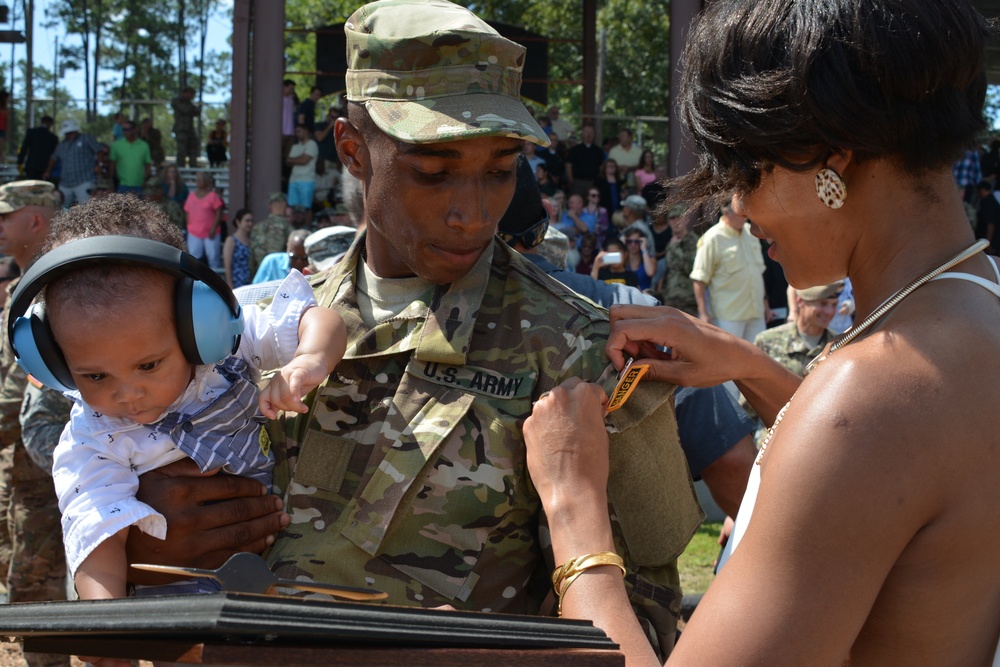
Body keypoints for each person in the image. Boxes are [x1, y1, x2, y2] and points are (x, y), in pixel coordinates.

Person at [125, 2, 703, 662]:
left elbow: (637, 633)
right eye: (432, 170)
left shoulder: (578, 351)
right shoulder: (240, 333)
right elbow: (120, 592)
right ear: (350, 149)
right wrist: (140, 549)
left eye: (501, 166)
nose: (473, 212)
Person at [530, 1, 1000, 664]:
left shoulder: (873, 398)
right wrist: (749, 364)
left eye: (747, 170)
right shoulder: (972, 307)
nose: (742, 209)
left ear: (829, 153)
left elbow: (869, 438)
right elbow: (904, 482)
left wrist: (573, 503)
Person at [7, 194, 345, 616]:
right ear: (54, 359)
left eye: (148, 365)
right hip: (180, 612)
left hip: (276, 583)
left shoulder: (226, 352)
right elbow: (97, 540)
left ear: (196, 326)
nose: (127, 393)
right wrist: (104, 622)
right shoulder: (93, 438)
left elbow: (317, 319)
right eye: (95, 376)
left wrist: (310, 359)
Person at [0, 181, 68, 667]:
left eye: (6, 215)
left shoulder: (52, 286)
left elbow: (21, 392)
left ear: (35, 220)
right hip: (21, 465)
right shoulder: (20, 284)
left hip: (50, 467)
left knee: (38, 592)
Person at [690, 200, 769, 342]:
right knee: (731, 361)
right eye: (741, 212)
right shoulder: (712, 238)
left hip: (756, 312)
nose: (746, 216)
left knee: (759, 358)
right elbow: (699, 279)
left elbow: (758, 273)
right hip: (728, 316)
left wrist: (766, 306)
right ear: (726, 212)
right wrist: (703, 313)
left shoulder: (752, 233)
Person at [752, 282, 842, 377]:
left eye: (834, 305)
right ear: (800, 302)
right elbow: (752, 387)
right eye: (823, 304)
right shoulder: (767, 341)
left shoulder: (839, 346)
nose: (830, 312)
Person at [44, 121, 102, 207]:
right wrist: (47, 171)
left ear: (75, 131)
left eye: (70, 132)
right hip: (65, 183)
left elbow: (99, 151)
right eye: (67, 133)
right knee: (60, 208)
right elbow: (53, 158)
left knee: (86, 208)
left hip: (84, 180)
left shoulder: (86, 138)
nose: (69, 135)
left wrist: (99, 164)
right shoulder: (62, 145)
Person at [183, 171, 225, 269]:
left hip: (211, 232)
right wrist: (189, 225)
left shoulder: (213, 196)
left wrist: (214, 228)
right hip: (194, 232)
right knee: (193, 258)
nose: (197, 181)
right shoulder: (191, 196)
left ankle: (215, 281)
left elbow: (219, 212)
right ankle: (194, 282)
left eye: (200, 179)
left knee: (213, 258)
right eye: (196, 179)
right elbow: (187, 211)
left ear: (206, 181)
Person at [250, 192, 292, 275]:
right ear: (285, 205)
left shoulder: (257, 227)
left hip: (260, 273)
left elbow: (251, 257)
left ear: (269, 206)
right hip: (279, 274)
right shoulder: (287, 228)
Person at [286, 123, 319, 227]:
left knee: (306, 208)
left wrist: (294, 159)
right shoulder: (295, 146)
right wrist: (299, 158)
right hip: (293, 180)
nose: (297, 134)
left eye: (299, 131)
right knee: (292, 207)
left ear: (306, 131)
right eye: (296, 132)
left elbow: (304, 160)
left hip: (307, 180)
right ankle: (292, 228)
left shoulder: (312, 144)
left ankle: (307, 229)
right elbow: (287, 161)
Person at [109, 120, 152, 194]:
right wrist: (111, 184)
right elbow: (112, 165)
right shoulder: (116, 145)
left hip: (139, 186)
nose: (125, 132)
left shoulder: (144, 145)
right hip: (122, 185)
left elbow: (147, 165)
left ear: (135, 130)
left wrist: (145, 181)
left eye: (128, 129)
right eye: (123, 129)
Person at [564, 124, 605, 197]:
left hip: (593, 182)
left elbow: (601, 167)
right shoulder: (575, 150)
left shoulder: (598, 151)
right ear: (583, 134)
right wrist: (571, 180)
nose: (588, 135)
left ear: (594, 135)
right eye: (586, 132)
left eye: (591, 132)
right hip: (577, 182)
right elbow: (568, 165)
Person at [18, 116, 59, 180]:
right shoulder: (53, 137)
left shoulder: (31, 132)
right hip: (45, 167)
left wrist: (20, 161)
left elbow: (24, 148)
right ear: (50, 124)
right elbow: (54, 155)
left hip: (32, 166)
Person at [223, 208, 254, 289]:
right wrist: (230, 285)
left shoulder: (252, 241)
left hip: (250, 283)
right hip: (236, 283)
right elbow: (227, 265)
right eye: (247, 221)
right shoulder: (231, 240)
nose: (250, 223)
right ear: (238, 222)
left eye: (251, 221)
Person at [171, 86, 201, 168]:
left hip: (190, 130)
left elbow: (196, 112)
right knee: (182, 150)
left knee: (194, 148)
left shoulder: (189, 103)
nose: (192, 97)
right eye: (191, 94)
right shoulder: (177, 101)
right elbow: (185, 109)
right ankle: (180, 168)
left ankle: (193, 166)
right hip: (181, 129)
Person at [621, 225, 657, 293]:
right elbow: (613, 268)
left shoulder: (649, 258)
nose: (633, 244)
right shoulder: (622, 260)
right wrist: (621, 246)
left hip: (644, 299)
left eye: (637, 241)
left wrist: (644, 249)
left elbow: (650, 272)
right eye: (629, 241)